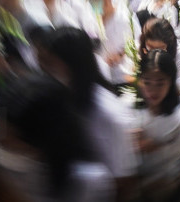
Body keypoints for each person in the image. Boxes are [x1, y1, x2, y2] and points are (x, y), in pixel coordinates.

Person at [37, 27, 138, 200]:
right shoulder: (61, 96)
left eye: (50, 65)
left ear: (72, 64)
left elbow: (124, 180)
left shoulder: (108, 113)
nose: (44, 71)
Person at [133, 49, 180, 201]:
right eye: (147, 82)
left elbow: (179, 151)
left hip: (163, 181)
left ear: (171, 81)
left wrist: (155, 146)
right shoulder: (133, 109)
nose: (152, 90)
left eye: (160, 83)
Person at [88, 0, 141, 86]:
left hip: (123, 77)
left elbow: (138, 42)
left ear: (107, 0)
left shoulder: (125, 18)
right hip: (103, 76)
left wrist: (120, 54)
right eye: (93, 6)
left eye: (98, 5)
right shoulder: (93, 19)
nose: (97, 12)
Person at [140, 18, 180, 97]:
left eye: (160, 48)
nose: (155, 52)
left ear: (169, 43)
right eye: (151, 47)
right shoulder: (142, 49)